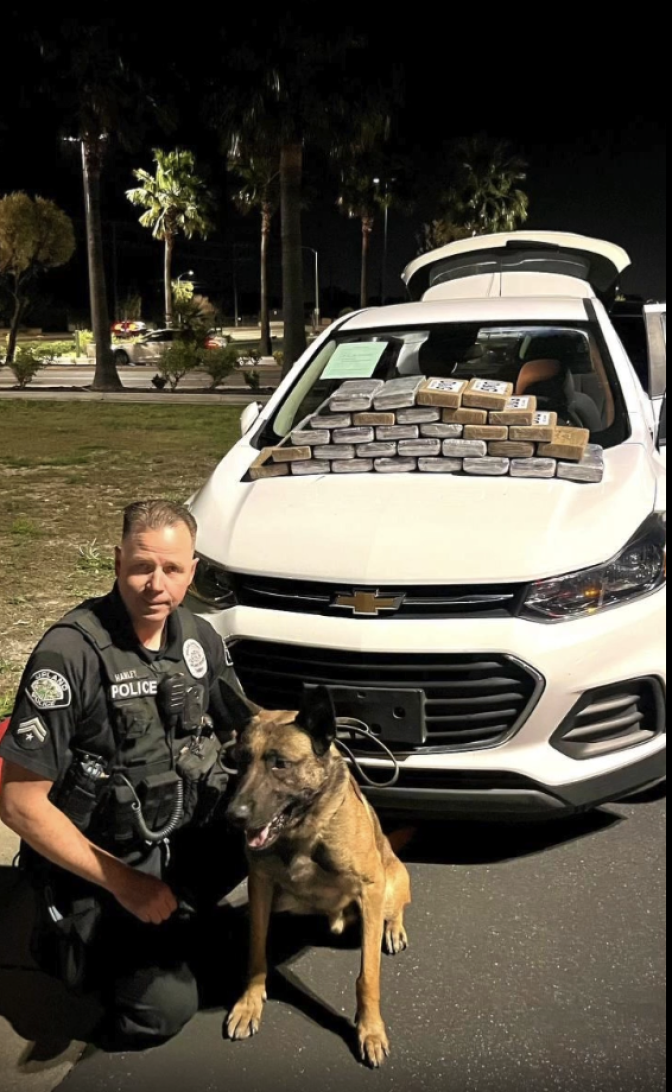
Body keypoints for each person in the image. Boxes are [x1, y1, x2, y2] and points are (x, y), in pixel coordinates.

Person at [0, 500, 253, 1051]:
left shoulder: (198, 641)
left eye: (172, 569)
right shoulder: (69, 654)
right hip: (100, 857)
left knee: (264, 831)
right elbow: (19, 804)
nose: (155, 584)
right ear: (117, 562)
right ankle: (67, 938)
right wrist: (126, 884)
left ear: (192, 570)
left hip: (174, 829)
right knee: (165, 1011)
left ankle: (166, 917)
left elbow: (247, 731)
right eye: (142, 566)